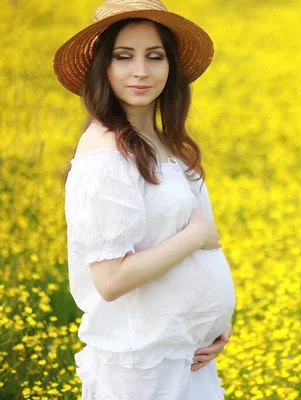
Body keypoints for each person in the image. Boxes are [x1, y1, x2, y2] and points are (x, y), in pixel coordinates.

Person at [54, 1, 237, 398]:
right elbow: (111, 279)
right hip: (142, 369)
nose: (141, 71)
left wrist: (214, 325)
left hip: (184, 356)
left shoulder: (163, 142)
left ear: (170, 68)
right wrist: (198, 236)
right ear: (103, 67)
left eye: (155, 56)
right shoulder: (105, 151)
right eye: (124, 57)